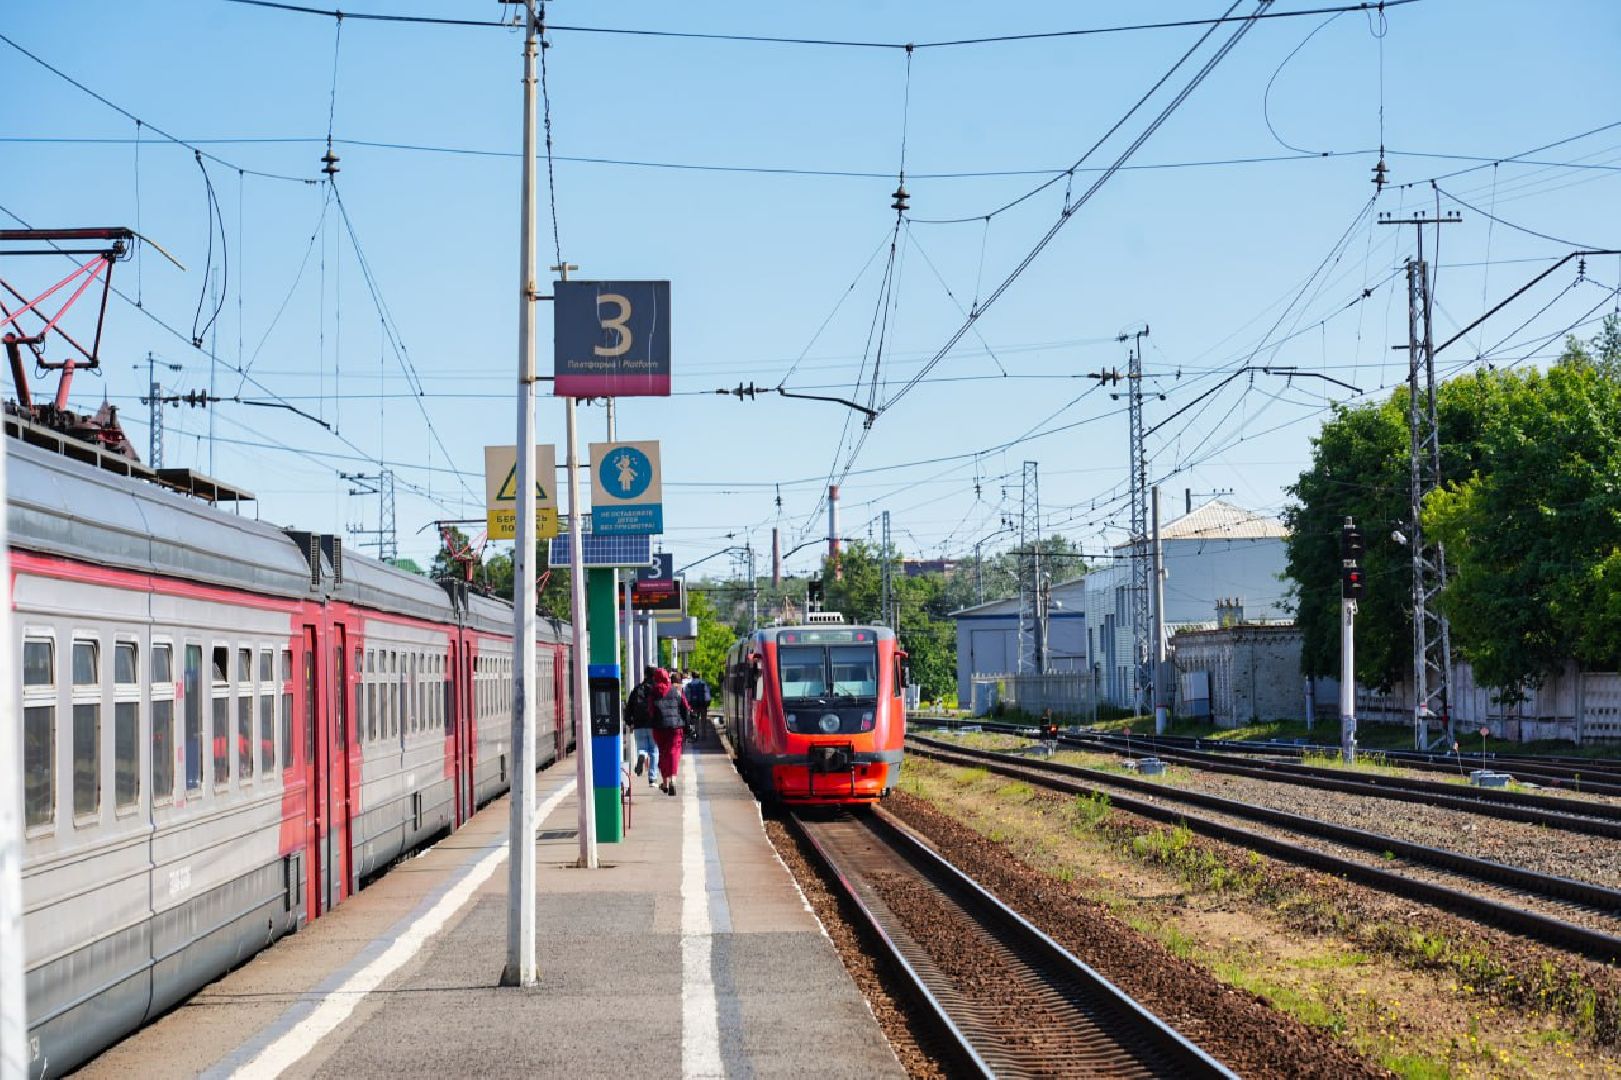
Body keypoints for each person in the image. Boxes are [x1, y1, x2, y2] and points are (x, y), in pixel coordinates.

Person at [649, 667, 691, 796]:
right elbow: (685, 708)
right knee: (674, 752)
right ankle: (673, 779)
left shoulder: (652, 692)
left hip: (659, 727)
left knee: (663, 753)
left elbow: (650, 711)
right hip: (675, 727)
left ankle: (665, 782)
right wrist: (687, 725)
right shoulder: (677, 690)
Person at [625, 666, 661, 787]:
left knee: (643, 748)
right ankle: (652, 779)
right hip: (653, 724)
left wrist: (629, 722)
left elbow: (629, 707)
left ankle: (642, 755)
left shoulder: (637, 689)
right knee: (654, 751)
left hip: (639, 725)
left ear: (645, 675)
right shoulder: (657, 690)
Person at [684, 670, 712, 740]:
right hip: (703, 704)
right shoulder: (703, 683)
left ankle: (696, 734)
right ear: (699, 676)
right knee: (703, 720)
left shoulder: (689, 685)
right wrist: (707, 703)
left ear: (692, 676)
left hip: (694, 705)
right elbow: (707, 695)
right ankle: (704, 735)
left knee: (695, 720)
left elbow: (686, 696)